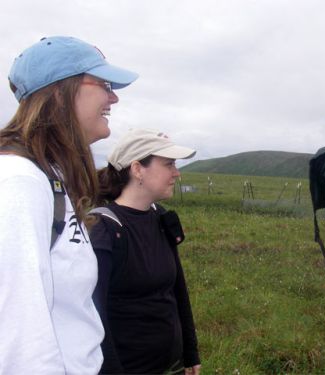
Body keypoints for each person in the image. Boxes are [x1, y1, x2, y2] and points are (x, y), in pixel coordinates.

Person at [0, 36, 138, 374]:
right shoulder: (19, 181)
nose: (114, 97)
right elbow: (18, 336)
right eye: (104, 84)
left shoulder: (50, 178)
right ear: (60, 91)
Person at [89, 129, 201, 375]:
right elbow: (95, 316)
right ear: (138, 169)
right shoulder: (105, 229)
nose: (177, 173)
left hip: (172, 365)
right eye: (169, 164)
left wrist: (190, 352)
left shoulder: (161, 217)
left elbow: (177, 289)